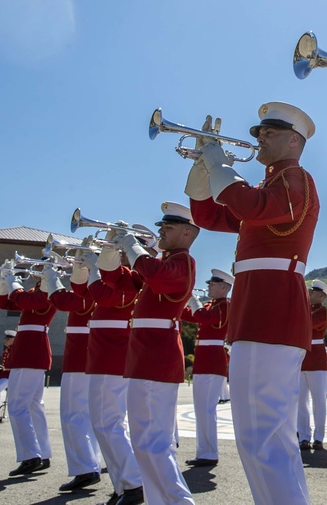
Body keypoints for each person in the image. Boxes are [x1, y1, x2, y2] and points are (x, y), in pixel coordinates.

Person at [187, 101, 319, 505]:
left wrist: (219, 164)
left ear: (294, 140)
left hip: (271, 311)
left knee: (260, 434)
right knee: (267, 435)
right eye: (259, 132)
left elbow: (251, 207)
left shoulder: (294, 178)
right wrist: (201, 166)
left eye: (269, 132)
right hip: (260, 312)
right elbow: (210, 215)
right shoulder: (268, 186)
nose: (259, 138)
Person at [100, 202, 199, 505]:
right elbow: (117, 282)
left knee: (153, 443)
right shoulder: (163, 262)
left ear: (186, 233)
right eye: (161, 227)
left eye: (167, 228)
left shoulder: (183, 262)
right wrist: (109, 252)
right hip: (144, 354)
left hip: (158, 355)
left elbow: (154, 273)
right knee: (144, 443)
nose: (160, 232)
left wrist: (132, 246)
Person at [84, 242, 143, 505]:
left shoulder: (131, 282)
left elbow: (102, 294)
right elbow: (80, 290)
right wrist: (81, 267)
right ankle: (122, 485)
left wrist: (93, 272)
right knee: (102, 424)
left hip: (114, 357)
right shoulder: (116, 281)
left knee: (110, 423)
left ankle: (134, 483)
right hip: (102, 356)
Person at [43, 262, 102, 493]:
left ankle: (85, 468)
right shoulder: (94, 292)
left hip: (81, 357)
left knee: (72, 414)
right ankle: (90, 464)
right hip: (85, 356)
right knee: (85, 415)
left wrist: (50, 276)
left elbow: (62, 300)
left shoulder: (90, 294)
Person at [0, 268, 56, 477]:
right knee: (32, 406)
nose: (35, 270)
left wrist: (13, 281)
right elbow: (5, 303)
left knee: (17, 406)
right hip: (29, 350)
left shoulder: (48, 290)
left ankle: (31, 456)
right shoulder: (34, 291)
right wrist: (3, 281)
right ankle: (42, 452)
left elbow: (29, 301)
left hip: (31, 351)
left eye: (40, 267)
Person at [181, 267, 233, 467]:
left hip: (212, 360)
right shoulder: (213, 304)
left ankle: (208, 453)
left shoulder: (225, 306)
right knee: (201, 409)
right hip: (205, 360)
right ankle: (204, 451)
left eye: (212, 284)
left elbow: (206, 317)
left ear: (223, 287)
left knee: (206, 409)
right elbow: (192, 316)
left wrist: (192, 299)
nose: (209, 287)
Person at [298, 279, 327, 452]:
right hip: (302, 357)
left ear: (322, 296)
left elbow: (308, 324)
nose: (309, 293)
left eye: (313, 292)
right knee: (300, 401)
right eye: (309, 291)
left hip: (316, 358)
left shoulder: (323, 312)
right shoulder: (304, 310)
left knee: (319, 401)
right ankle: (303, 436)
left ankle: (318, 436)